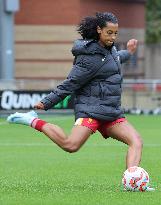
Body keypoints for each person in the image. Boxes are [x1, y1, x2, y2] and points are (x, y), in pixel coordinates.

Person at [7, 12, 154, 191]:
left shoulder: (111, 50)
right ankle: (32, 120)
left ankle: (132, 183)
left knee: (136, 141)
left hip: (110, 112)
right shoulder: (88, 58)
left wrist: (129, 53)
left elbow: (115, 58)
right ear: (99, 30)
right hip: (90, 110)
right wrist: (46, 102)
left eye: (115, 33)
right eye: (109, 33)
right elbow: (70, 83)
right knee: (71, 145)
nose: (113, 37)